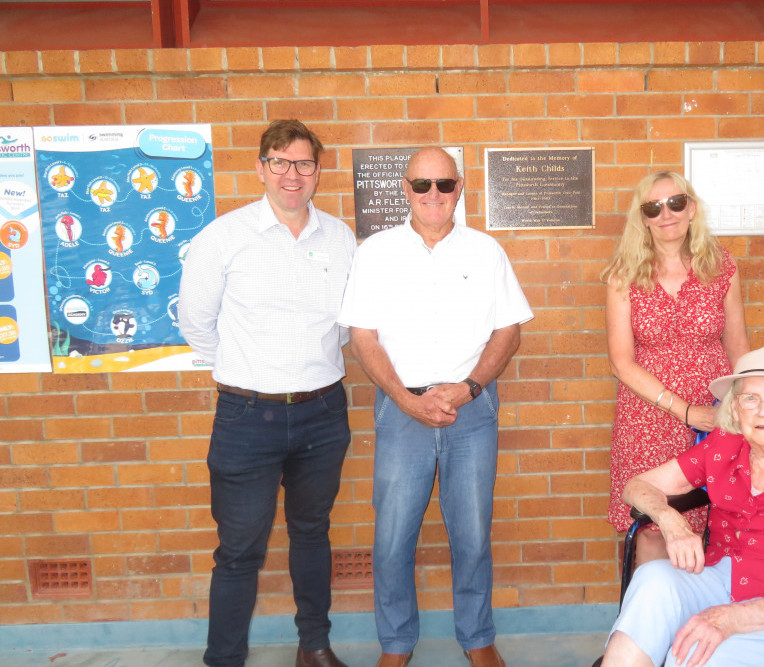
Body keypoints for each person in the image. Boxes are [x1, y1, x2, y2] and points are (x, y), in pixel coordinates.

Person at [337, 147, 532, 667]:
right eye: (421, 185)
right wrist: (406, 399)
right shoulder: (375, 252)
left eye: (444, 184)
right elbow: (363, 335)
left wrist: (467, 388)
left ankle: (477, 637)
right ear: (405, 189)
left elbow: (509, 330)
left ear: (460, 187)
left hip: (471, 407)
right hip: (402, 410)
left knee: (472, 531)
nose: (433, 196)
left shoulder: (485, 251)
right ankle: (396, 644)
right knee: (393, 535)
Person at [178, 120, 356, 667]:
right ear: (260, 168)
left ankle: (314, 646)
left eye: (303, 163)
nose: (292, 175)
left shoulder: (340, 238)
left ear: (318, 172)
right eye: (280, 162)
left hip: (322, 413)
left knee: (312, 535)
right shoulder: (223, 237)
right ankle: (224, 659)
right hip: (245, 416)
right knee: (238, 552)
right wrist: (250, 369)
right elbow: (195, 322)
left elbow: (346, 327)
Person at [602, 343, 764, 667]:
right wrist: (671, 521)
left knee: (689, 656)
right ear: (736, 408)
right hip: (725, 578)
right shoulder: (725, 444)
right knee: (652, 580)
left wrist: (726, 619)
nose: (762, 411)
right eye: (750, 398)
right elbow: (637, 486)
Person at [603, 170, 749, 565]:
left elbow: (738, 347)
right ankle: (651, 622)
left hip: (714, 410)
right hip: (647, 416)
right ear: (643, 217)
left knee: (709, 519)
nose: (666, 213)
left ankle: (697, 622)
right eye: (653, 206)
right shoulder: (625, 275)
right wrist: (685, 411)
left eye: (676, 202)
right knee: (652, 525)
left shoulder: (721, 268)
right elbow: (621, 363)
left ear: (692, 208)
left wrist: (745, 406)